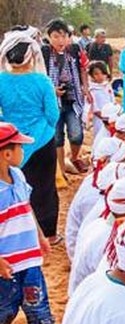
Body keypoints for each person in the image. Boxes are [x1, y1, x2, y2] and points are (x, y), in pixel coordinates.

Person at [0, 122, 59, 324]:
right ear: (6, 154)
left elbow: (27, 207)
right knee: (5, 308)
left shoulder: (19, 176)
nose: (24, 152)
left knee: (38, 305)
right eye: (20, 147)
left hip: (30, 259)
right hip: (7, 263)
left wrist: (40, 235)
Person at [0, 28, 62, 244]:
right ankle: (50, 234)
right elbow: (53, 115)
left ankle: (21, 234)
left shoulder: (0, 80)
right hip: (42, 140)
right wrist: (41, 129)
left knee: (13, 187)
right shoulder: (42, 81)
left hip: (11, 143)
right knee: (45, 187)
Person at [43, 19, 91, 176]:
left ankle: (74, 157)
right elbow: (40, 77)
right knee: (57, 137)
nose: (60, 40)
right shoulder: (44, 53)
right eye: (56, 36)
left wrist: (85, 87)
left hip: (73, 98)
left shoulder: (75, 50)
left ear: (69, 37)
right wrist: (52, 90)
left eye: (63, 36)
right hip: (53, 101)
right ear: (49, 37)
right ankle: (61, 170)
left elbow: (84, 69)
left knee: (76, 134)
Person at [87, 61, 114, 138]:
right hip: (99, 118)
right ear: (92, 75)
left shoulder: (107, 86)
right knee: (100, 135)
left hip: (111, 116)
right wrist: (103, 116)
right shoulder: (92, 89)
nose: (100, 76)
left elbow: (112, 100)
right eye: (96, 74)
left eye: (102, 73)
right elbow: (94, 107)